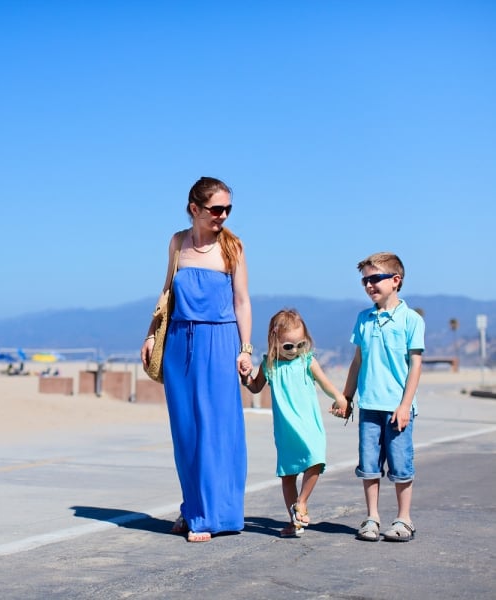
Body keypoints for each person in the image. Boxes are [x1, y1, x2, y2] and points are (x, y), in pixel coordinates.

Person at [140, 176, 253, 543]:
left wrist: (245, 348)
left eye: (227, 209)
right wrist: (152, 333)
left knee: (218, 429)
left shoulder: (233, 246)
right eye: (216, 209)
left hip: (219, 341)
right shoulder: (177, 243)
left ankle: (214, 514)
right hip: (178, 342)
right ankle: (193, 508)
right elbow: (167, 291)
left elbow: (242, 301)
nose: (223, 215)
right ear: (194, 209)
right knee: (187, 431)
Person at [241, 309, 349, 537]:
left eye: (301, 345)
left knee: (316, 460)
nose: (295, 351)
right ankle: (295, 520)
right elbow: (255, 387)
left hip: (310, 424)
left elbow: (325, 384)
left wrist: (339, 398)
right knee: (288, 475)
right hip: (286, 429)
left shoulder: (307, 361)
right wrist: (245, 377)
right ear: (274, 341)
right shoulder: (270, 365)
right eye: (289, 347)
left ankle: (301, 502)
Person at [342, 252, 424, 542]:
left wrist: (404, 406)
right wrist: (347, 397)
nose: (368, 285)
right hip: (369, 406)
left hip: (397, 408)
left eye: (375, 279)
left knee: (401, 466)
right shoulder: (363, 319)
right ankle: (372, 518)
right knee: (369, 466)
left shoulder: (411, 320)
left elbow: (415, 366)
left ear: (395, 280)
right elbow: (357, 361)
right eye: (365, 280)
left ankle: (404, 519)